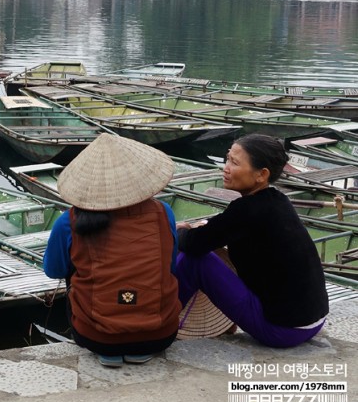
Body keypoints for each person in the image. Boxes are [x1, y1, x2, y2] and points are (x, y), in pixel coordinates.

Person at [175, 134, 328, 348]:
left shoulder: (246, 210)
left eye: (235, 163)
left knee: (196, 260)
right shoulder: (278, 201)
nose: (226, 168)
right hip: (312, 321)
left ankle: (160, 323)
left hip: (282, 330)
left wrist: (181, 231)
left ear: (261, 175)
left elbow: (193, 244)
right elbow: (222, 227)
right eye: (227, 159)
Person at [44, 133, 180, 367]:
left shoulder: (69, 222)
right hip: (159, 336)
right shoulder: (163, 212)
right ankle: (137, 347)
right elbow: (171, 264)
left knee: (72, 271)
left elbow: (54, 270)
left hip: (95, 337)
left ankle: (112, 349)